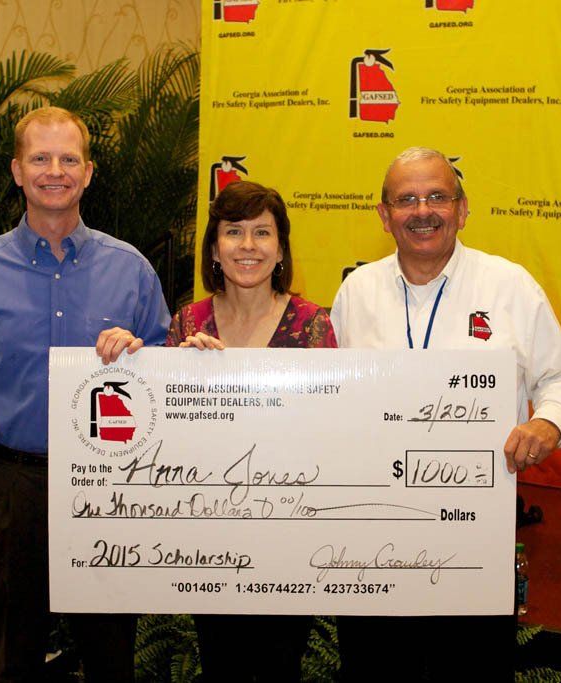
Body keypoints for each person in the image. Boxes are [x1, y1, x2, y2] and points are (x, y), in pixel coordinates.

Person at [0, 106, 170, 682]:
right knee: (13, 658)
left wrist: (143, 356)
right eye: (40, 158)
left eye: (69, 159)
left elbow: (168, 385)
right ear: (17, 170)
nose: (55, 171)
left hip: (109, 486)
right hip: (10, 487)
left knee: (110, 658)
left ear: (89, 172)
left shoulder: (131, 271)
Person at [330, 147, 561, 681]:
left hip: (474, 538)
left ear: (462, 208)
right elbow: (328, 397)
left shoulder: (509, 286)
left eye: (437, 196)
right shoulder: (356, 292)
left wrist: (548, 422)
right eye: (406, 200)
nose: (422, 211)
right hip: (371, 540)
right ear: (384, 215)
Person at [168, 180, 337, 681]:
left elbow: (332, 432)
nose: (248, 246)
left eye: (262, 233)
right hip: (209, 537)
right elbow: (166, 441)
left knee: (279, 667)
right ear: (213, 249)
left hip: (290, 536)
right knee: (220, 664)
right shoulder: (187, 324)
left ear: (281, 249)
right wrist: (183, 378)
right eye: (233, 231)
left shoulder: (313, 325)